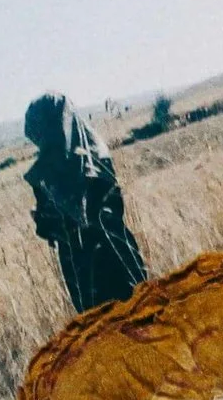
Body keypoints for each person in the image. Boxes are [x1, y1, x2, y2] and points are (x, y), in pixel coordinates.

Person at [21, 92, 146, 314]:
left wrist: (47, 218)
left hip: (104, 261)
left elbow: (83, 217)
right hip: (87, 264)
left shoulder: (76, 160)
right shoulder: (80, 151)